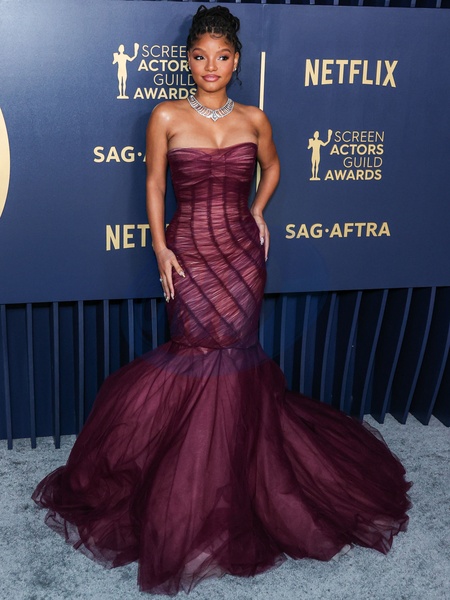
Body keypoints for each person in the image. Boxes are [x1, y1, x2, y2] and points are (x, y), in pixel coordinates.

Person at [32, 6, 411, 596]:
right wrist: (160, 247)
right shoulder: (165, 115)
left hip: (241, 257)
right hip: (188, 252)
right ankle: (188, 483)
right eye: (200, 56)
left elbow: (275, 167)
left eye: (223, 56)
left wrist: (257, 210)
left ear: (237, 61)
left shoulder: (255, 118)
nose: (211, 66)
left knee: (236, 356)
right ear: (188, 60)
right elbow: (154, 183)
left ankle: (235, 476)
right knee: (195, 351)